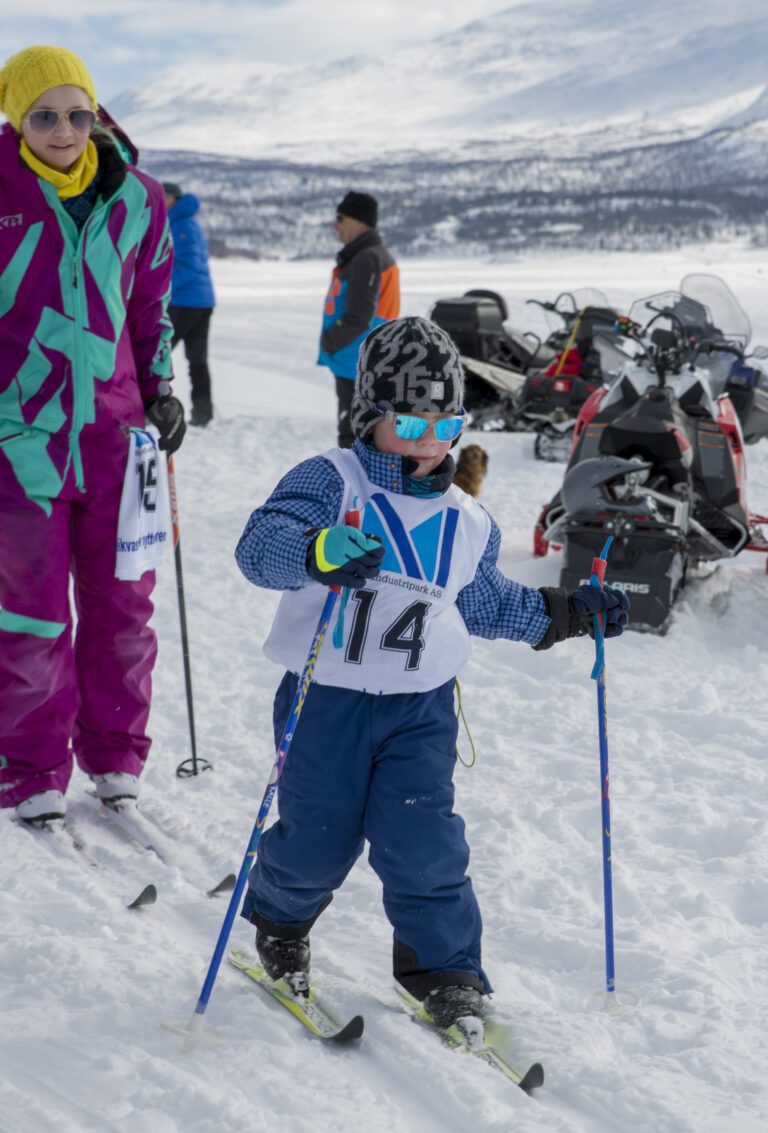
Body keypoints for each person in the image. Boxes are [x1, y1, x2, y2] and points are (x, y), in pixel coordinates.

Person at [235, 316, 629, 1030]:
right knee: (317, 837)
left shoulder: (467, 518)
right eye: (410, 421)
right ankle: (279, 920)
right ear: (371, 416)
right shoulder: (331, 481)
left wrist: (569, 614)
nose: (428, 442)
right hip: (327, 698)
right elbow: (260, 546)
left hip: (420, 708)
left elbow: (484, 602)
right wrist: (316, 550)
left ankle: (446, 972)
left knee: (424, 843)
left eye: (447, 424)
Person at [0, 46, 185, 827]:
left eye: (78, 113)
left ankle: (115, 756)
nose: (65, 130)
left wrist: (162, 386)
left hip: (116, 435)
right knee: (31, 611)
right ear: (16, 117)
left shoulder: (137, 198)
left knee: (122, 605)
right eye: (45, 115)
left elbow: (151, 305)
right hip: (20, 440)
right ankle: (32, 767)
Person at [318, 190, 399, 448]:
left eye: (341, 218)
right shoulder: (364, 256)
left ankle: (353, 487)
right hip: (356, 359)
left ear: (359, 222)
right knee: (357, 432)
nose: (336, 224)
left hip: (357, 360)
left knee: (353, 435)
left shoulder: (367, 258)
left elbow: (359, 317)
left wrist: (331, 342)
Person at [163, 182, 216, 427]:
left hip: (187, 301)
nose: (160, 200)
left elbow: (189, 266)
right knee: (197, 359)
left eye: (163, 196)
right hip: (199, 301)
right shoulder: (181, 221)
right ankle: (202, 412)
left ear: (174, 198)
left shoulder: (182, 224)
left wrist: (160, 284)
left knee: (157, 353)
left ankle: (154, 408)